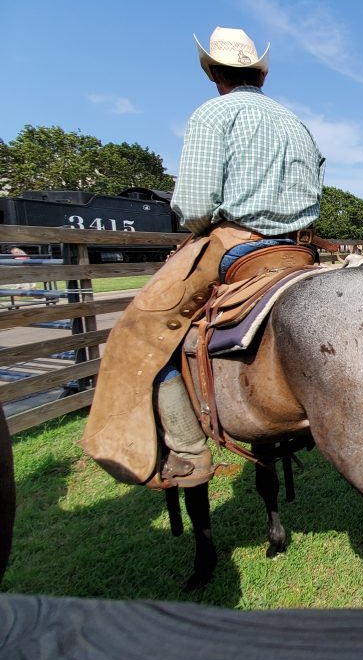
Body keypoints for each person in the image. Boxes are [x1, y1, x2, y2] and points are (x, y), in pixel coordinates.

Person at [81, 26, 326, 489]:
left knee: (141, 328)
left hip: (237, 245)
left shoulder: (213, 115)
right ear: (261, 76)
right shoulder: (298, 123)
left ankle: (188, 452)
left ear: (214, 72)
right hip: (298, 249)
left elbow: (194, 207)